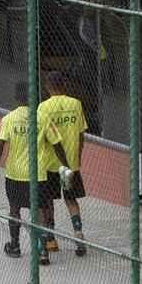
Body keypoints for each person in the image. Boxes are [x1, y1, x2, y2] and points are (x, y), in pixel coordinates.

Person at [0, 80, 64, 263]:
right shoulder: (43, 118)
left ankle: (15, 245)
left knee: (14, 209)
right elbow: (57, 144)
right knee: (40, 211)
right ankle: (42, 251)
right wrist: (65, 165)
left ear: (16, 97)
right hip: (38, 175)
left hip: (14, 174)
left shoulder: (8, 119)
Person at [39, 70, 89, 256]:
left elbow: (42, 136)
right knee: (71, 199)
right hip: (71, 163)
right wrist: (78, 155)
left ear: (48, 87)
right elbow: (81, 134)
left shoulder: (43, 108)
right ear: (64, 85)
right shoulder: (76, 104)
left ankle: (51, 240)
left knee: (48, 201)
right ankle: (78, 234)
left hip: (50, 164)